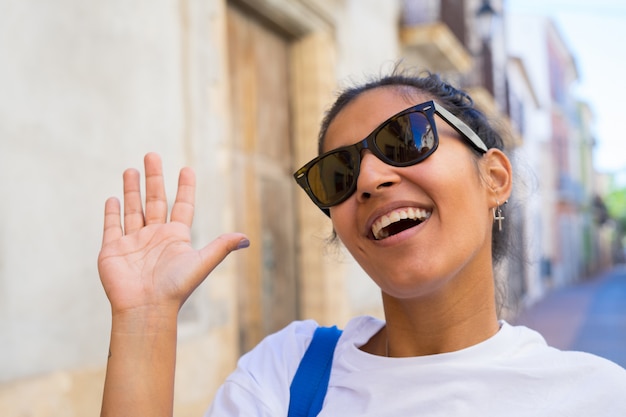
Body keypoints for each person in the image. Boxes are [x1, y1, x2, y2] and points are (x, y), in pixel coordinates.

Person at [98, 71, 626, 416]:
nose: (370, 178)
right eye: (337, 174)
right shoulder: (285, 373)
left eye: (406, 139)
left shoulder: (595, 398)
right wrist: (145, 320)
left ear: (494, 177)